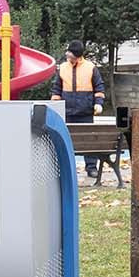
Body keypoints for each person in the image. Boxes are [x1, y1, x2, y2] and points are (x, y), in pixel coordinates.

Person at [51, 39, 105, 177]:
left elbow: (99, 87)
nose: (68, 55)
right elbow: (56, 89)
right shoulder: (63, 68)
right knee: (68, 141)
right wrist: (55, 105)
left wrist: (98, 103)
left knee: (87, 140)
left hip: (85, 112)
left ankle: (91, 167)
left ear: (76, 54)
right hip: (67, 112)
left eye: (70, 53)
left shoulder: (90, 68)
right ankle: (67, 169)